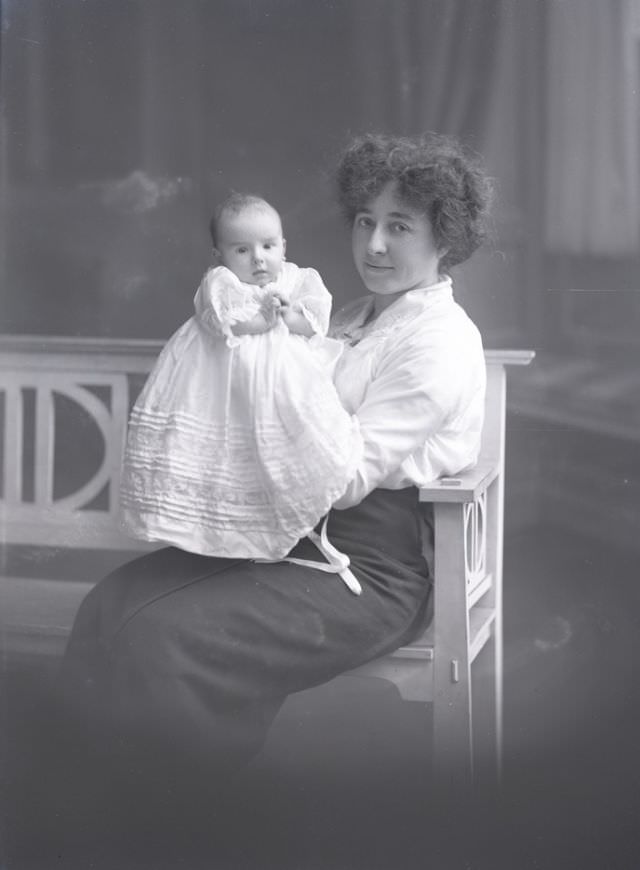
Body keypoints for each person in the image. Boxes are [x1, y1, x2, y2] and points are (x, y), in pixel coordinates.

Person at [59, 131, 492, 815]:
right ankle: (97, 820)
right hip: (294, 534)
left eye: (399, 227)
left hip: (374, 571)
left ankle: (177, 828)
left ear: (446, 237)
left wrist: (269, 403)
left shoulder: (438, 342)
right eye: (365, 221)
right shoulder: (352, 318)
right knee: (107, 606)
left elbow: (345, 477)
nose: (374, 245)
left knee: (161, 639)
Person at [119, 193, 360, 584]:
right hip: (224, 383)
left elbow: (314, 324)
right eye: (242, 250)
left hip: (279, 383)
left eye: (268, 246)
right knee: (229, 457)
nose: (258, 258)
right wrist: (262, 320)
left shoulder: (297, 279)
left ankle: (281, 524)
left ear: (284, 246)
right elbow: (222, 321)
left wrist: (289, 313)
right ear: (220, 255)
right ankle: (226, 538)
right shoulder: (221, 283)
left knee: (295, 440)